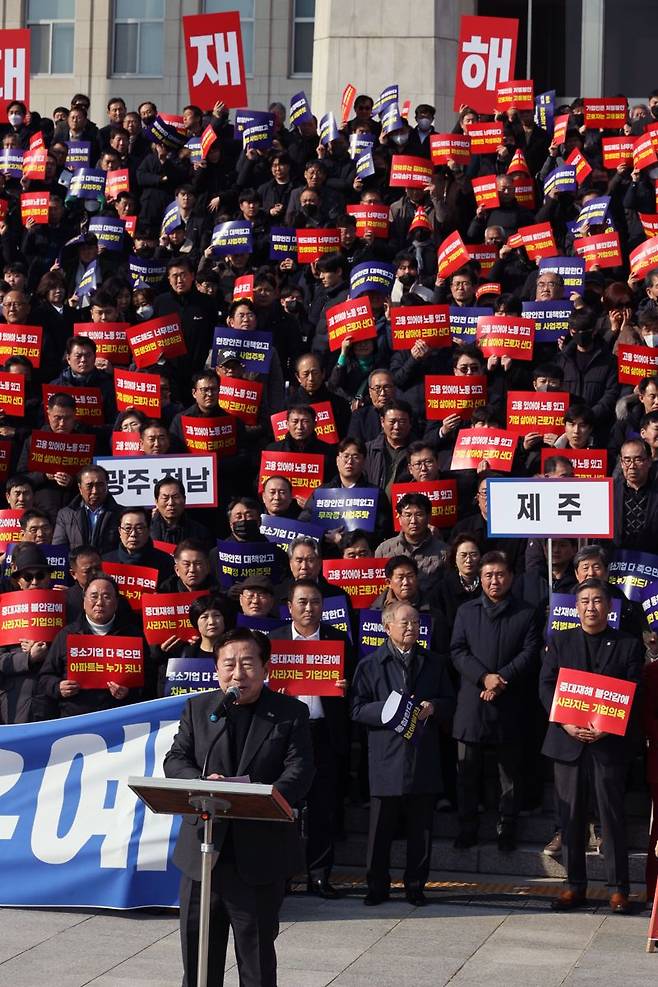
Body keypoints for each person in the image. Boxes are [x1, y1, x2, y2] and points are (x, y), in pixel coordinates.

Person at [163, 626, 314, 987]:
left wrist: (269, 796)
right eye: (228, 664)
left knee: (257, 962)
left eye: (247, 664)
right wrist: (200, 784)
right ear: (216, 669)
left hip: (258, 855)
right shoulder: (201, 710)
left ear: (266, 669)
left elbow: (302, 768)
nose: (237, 673)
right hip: (204, 855)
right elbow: (176, 758)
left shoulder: (290, 712)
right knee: (199, 962)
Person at [540, 579, 643, 913]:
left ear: (608, 606)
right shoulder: (560, 641)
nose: (590, 607)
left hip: (607, 744)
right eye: (584, 601)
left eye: (597, 601)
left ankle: (618, 889)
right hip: (567, 742)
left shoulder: (627, 644)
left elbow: (632, 689)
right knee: (570, 817)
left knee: (611, 817)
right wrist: (565, 722)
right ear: (576, 606)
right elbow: (546, 685)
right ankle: (574, 887)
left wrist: (606, 726)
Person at [351, 601, 455, 905]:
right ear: (387, 627)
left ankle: (415, 885)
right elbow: (356, 708)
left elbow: (450, 700)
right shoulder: (370, 664)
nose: (412, 628)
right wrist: (388, 711)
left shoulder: (433, 662)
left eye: (416, 623)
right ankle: (376, 885)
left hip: (422, 752)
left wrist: (434, 707)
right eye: (405, 623)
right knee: (380, 825)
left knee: (421, 826)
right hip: (387, 752)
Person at [450, 551, 540, 850]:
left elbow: (529, 653)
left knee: (509, 772)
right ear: (480, 578)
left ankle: (507, 827)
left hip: (509, 700)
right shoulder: (466, 611)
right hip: (472, 702)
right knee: (467, 770)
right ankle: (467, 827)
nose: (494, 580)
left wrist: (500, 679)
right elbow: (458, 651)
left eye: (500, 574)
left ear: (511, 577)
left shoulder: (526, 612)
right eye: (488, 575)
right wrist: (483, 678)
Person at [270, 579, 351, 897]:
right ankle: (284, 874)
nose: (309, 607)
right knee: (283, 806)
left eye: (315, 601)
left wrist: (344, 688)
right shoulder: (274, 639)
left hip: (324, 732)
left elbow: (355, 687)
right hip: (285, 736)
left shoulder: (338, 639)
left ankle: (319, 875)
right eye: (302, 602)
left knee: (323, 807)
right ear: (289, 607)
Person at [32, 574, 146, 719]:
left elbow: (149, 678)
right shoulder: (67, 635)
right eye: (94, 596)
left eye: (106, 597)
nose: (99, 602)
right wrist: (58, 687)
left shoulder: (132, 636)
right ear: (84, 600)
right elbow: (44, 678)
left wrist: (129, 692)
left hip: (118, 719)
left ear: (116, 602)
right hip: (74, 719)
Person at [375, 493, 447, 596]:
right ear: (399, 518)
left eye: (419, 515)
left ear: (428, 517)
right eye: (408, 515)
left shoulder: (444, 552)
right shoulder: (384, 550)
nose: (413, 521)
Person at [52, 465, 121, 553]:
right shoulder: (66, 514)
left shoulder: (121, 514)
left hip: (108, 565)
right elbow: (58, 550)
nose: (95, 491)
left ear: (106, 486)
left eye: (100, 485)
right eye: (89, 486)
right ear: (80, 488)